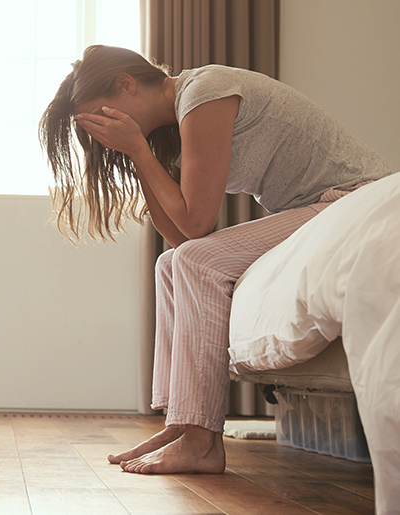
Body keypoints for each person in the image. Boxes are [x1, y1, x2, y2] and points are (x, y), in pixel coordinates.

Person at [38, 45, 394, 474]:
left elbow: (197, 224)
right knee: (172, 264)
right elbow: (176, 239)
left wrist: (138, 151)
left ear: (126, 85)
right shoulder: (177, 121)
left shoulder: (204, 92)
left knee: (197, 261)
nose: (100, 134)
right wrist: (137, 154)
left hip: (349, 200)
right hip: (317, 208)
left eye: (101, 117)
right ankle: (182, 423)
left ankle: (202, 441)